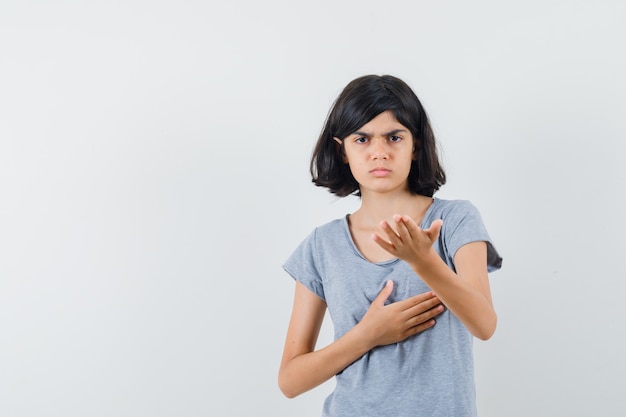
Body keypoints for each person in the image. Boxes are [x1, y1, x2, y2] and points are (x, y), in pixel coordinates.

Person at [278, 74, 502, 417]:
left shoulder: (455, 220)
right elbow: (290, 381)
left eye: (394, 137)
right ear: (342, 151)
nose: (379, 152)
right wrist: (367, 335)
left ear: (416, 146)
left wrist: (424, 261)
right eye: (362, 139)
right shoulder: (322, 246)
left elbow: (484, 324)